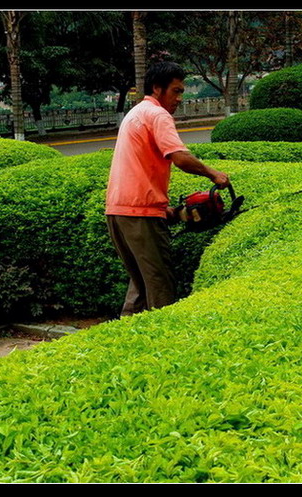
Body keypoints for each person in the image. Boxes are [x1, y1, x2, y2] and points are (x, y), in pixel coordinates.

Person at [105, 61, 230, 317]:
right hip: (140, 214)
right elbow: (180, 157)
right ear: (157, 88)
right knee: (161, 287)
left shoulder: (136, 112)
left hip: (118, 212)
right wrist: (213, 174)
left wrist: (167, 211)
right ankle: (163, 348)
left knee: (140, 286)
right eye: (176, 91)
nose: (179, 98)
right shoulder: (158, 114)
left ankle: (124, 343)